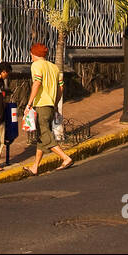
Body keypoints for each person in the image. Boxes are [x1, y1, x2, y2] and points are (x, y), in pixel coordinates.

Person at [24, 43, 73, 174]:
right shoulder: (54, 67)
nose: (31, 56)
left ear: (34, 54)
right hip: (51, 105)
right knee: (42, 136)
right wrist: (56, 103)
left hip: (41, 105)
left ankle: (65, 157)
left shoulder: (36, 66)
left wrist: (29, 104)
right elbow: (61, 87)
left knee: (45, 134)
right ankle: (35, 167)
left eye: (31, 54)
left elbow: (37, 83)